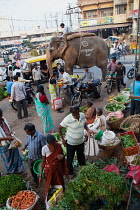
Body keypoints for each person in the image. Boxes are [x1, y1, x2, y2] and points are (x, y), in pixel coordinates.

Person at [58, 105, 92, 178]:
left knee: (81, 156)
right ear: (71, 113)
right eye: (74, 114)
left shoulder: (82, 115)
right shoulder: (68, 119)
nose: (76, 116)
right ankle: (70, 172)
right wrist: (63, 139)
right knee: (70, 158)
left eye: (77, 114)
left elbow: (84, 123)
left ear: (78, 111)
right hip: (71, 143)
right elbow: (59, 127)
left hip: (80, 142)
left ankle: (83, 169)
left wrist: (87, 129)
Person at [0, 109, 24, 174]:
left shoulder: (3, 119)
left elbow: (7, 128)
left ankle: (19, 170)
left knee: (16, 156)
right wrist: (6, 138)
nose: (1, 117)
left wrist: (11, 133)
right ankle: (12, 172)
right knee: (8, 160)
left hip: (11, 141)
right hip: (3, 145)